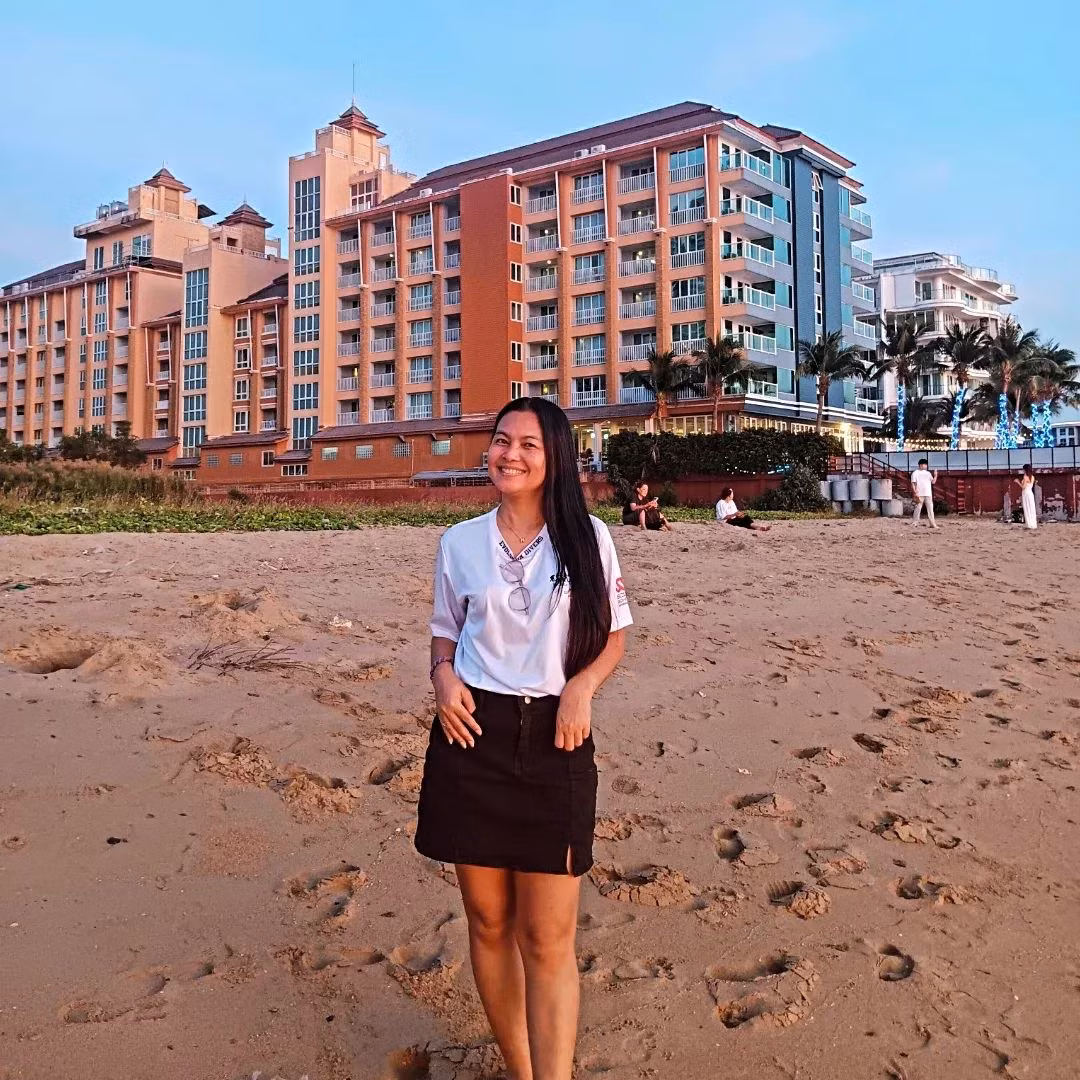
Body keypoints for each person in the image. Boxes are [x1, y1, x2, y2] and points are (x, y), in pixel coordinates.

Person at [416, 397, 633, 1080]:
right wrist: (442, 678)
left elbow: (616, 636)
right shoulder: (459, 543)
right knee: (487, 923)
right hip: (471, 736)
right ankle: (520, 1069)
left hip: (555, 740)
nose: (509, 454)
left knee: (547, 937)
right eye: (501, 440)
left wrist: (582, 687)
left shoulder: (588, 538)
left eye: (528, 445)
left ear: (554, 457)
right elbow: (444, 635)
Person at [910, 458, 940, 529]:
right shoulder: (915, 473)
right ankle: (915, 523)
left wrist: (935, 475)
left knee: (930, 509)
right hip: (919, 493)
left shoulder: (928, 473)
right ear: (920, 465)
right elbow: (913, 483)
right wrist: (915, 492)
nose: (926, 466)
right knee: (918, 508)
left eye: (926, 464)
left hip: (928, 493)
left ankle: (932, 524)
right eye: (925, 464)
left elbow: (933, 482)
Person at [1015, 464, 1038, 530]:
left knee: (1027, 508)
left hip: (1026, 493)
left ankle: (1029, 524)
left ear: (1025, 470)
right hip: (1030, 493)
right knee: (1031, 508)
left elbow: (1023, 487)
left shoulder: (1025, 477)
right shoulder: (1032, 477)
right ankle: (1033, 524)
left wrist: (1018, 482)